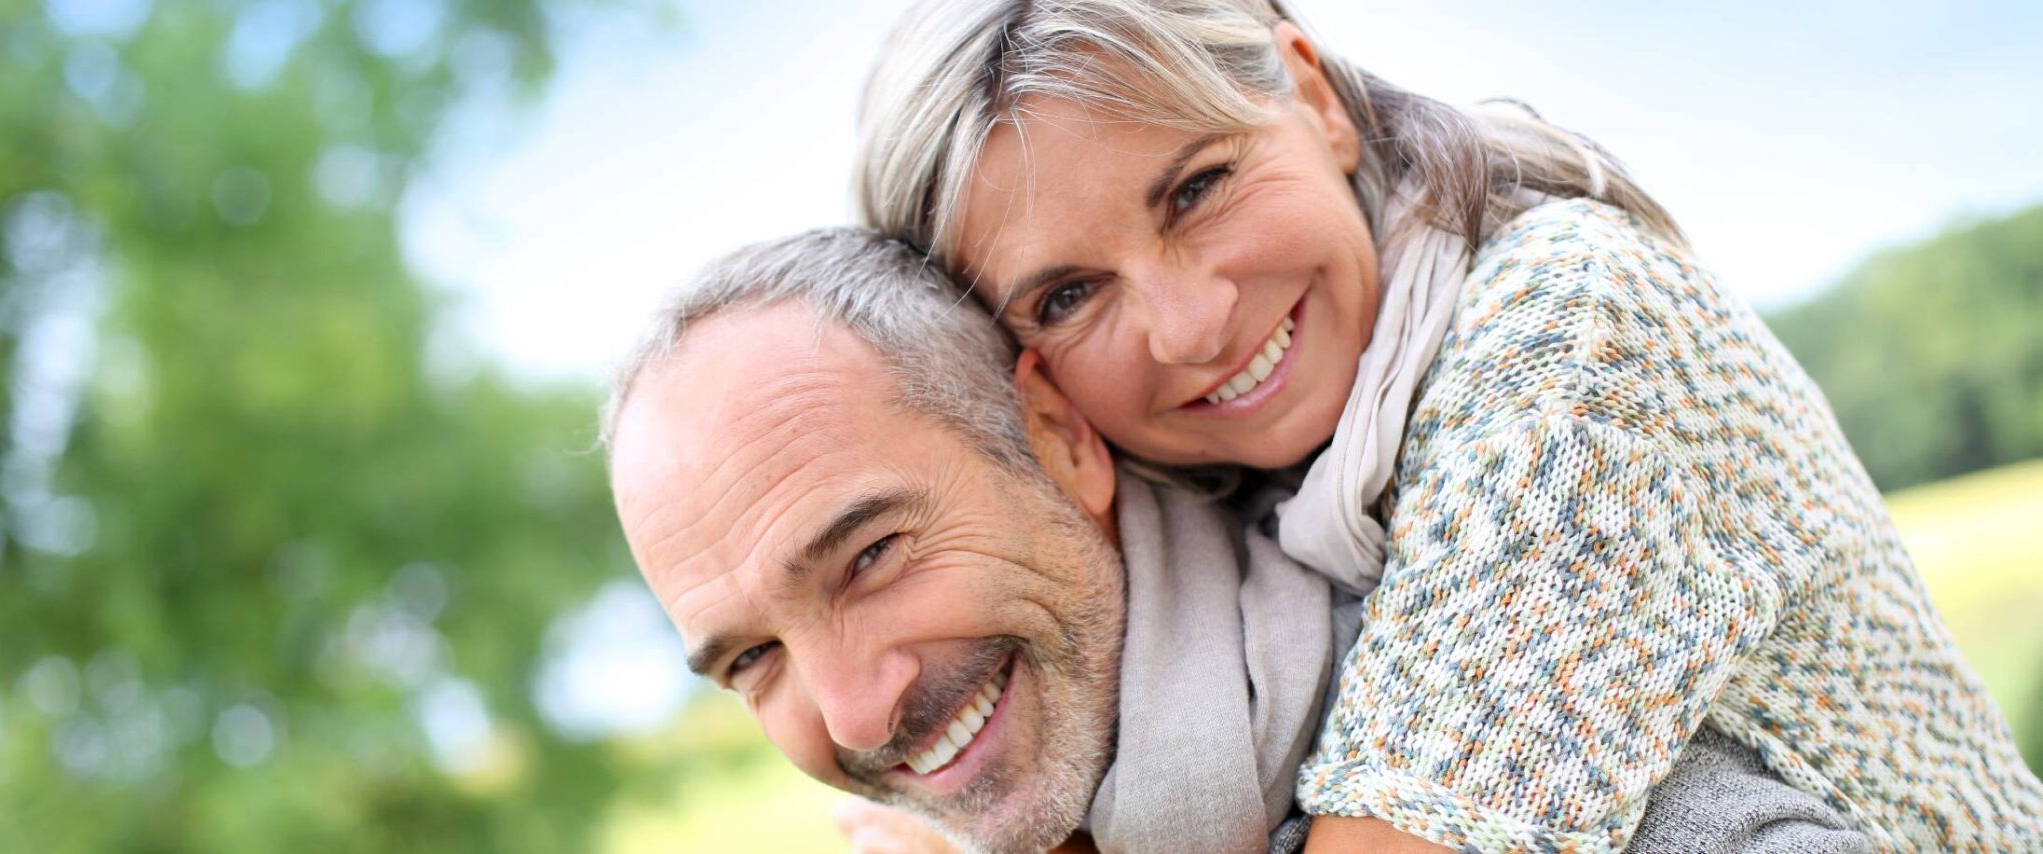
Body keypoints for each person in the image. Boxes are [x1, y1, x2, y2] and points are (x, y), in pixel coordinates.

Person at [851, 0, 2043, 850]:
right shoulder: (1221, 507)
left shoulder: (1572, 337)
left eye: (1198, 188)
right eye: (1068, 296)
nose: (1191, 323)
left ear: (1313, 98)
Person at [603, 228, 1874, 853]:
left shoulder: (1497, 744)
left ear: (1055, 433)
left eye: (871, 554)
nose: (853, 707)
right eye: (751, 657)